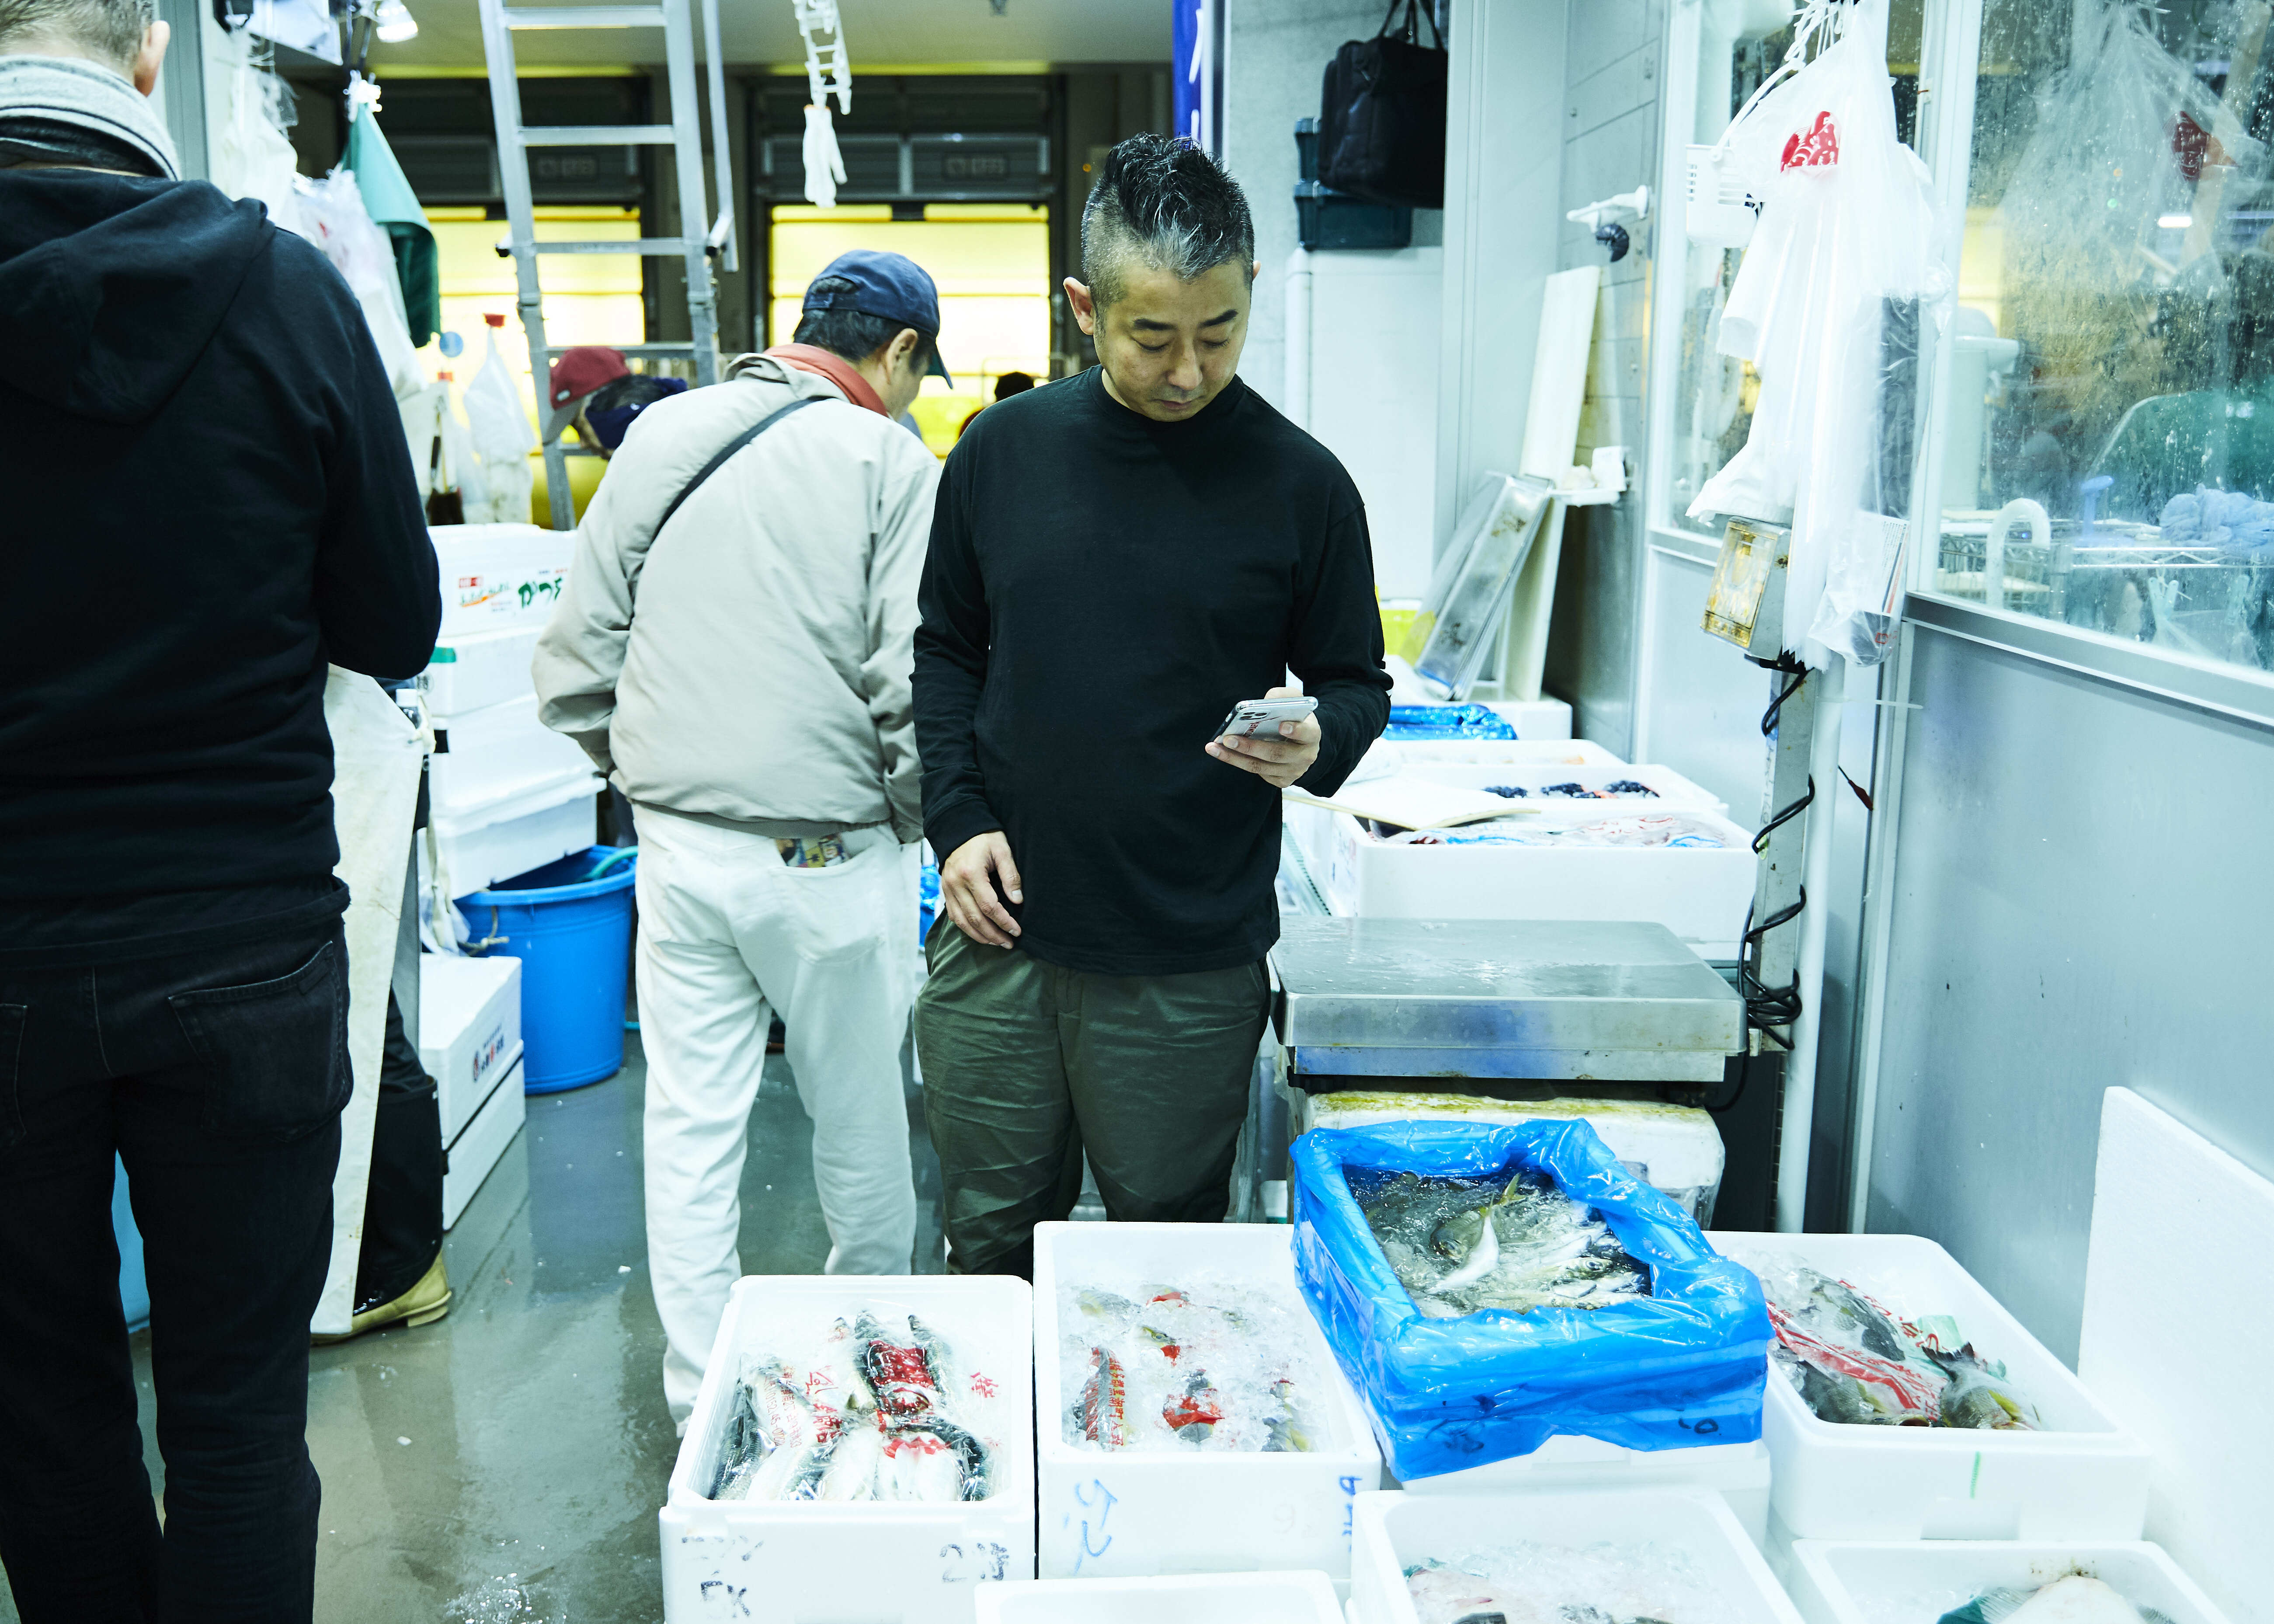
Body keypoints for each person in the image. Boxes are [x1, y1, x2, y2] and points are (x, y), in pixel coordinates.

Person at [0, 1, 441, 1617]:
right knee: (241, 1421)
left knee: (37, 1410)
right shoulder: (282, 292)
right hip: (241, 936)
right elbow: (394, 622)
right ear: (146, 61)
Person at [911, 134, 1391, 1278]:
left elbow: (1356, 685)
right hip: (999, 936)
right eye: (1152, 336)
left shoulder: (1303, 485)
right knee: (988, 1241)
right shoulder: (1001, 454)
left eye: (1218, 333)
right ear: (1086, 308)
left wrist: (1319, 738)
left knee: (1165, 1261)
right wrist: (956, 820)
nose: (1187, 370)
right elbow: (946, 652)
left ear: (1251, 290)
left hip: (1187, 959)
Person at [535, 250, 950, 1427]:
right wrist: (913, 823)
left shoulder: (661, 433)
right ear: (900, 352)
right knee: (860, 1119)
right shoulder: (889, 460)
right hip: (827, 852)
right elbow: (907, 678)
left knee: (689, 1125)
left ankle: (700, 1406)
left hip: (674, 847)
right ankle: (877, 1373)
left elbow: (578, 654)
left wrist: (643, 777)